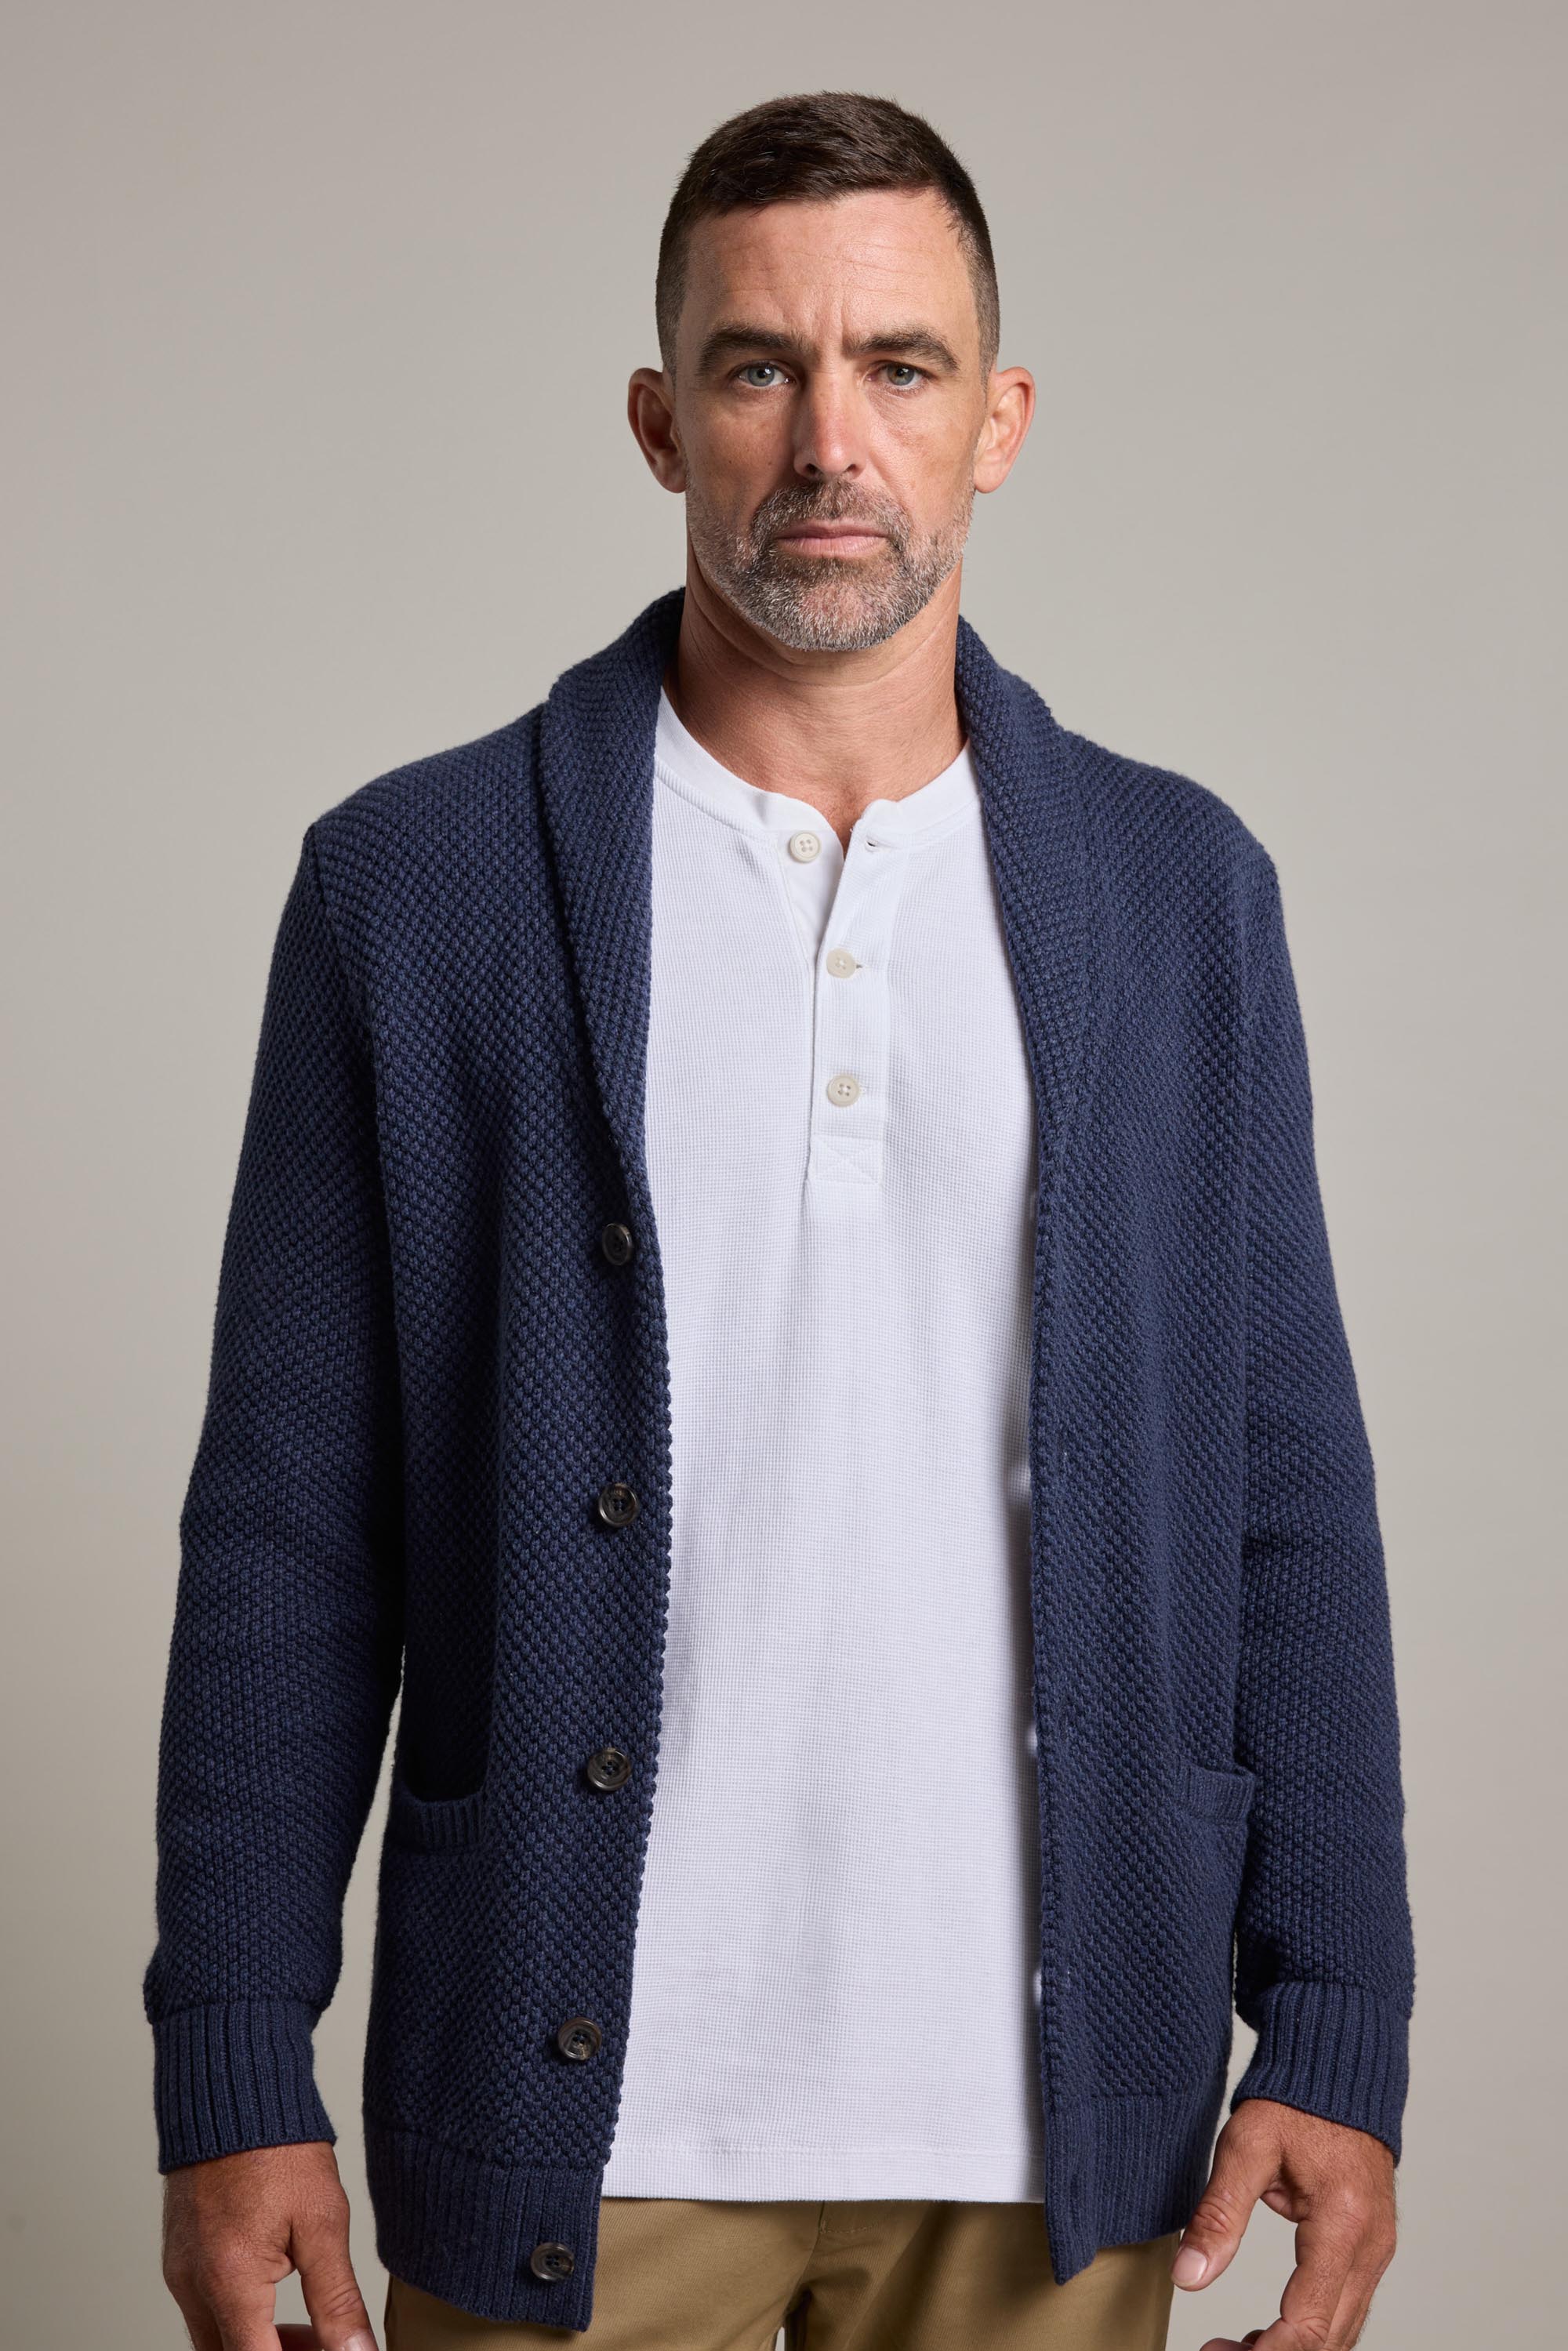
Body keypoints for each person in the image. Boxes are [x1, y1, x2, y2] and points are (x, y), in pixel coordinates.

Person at [147, 89, 1414, 2351]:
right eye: (761, 369)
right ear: (662, 421)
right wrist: (232, 2069)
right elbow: (287, 1527)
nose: (833, 437)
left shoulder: (1178, 899)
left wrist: (1335, 2012)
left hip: (1054, 2150)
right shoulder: (413, 894)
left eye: (899, 367)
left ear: (997, 418)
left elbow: (1285, 1485)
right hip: (575, 2134)